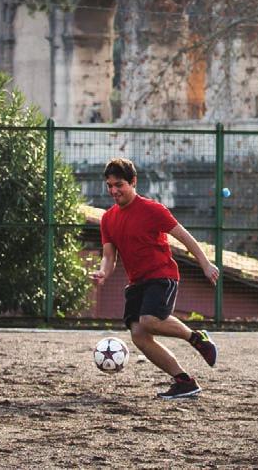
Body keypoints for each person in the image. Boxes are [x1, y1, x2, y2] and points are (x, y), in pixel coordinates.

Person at [91, 157, 220, 399]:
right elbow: (109, 256)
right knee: (139, 335)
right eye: (109, 186)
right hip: (137, 282)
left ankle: (196, 337)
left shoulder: (153, 210)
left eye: (119, 184)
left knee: (149, 320)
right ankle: (184, 381)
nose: (114, 190)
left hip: (162, 275)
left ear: (133, 182)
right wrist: (103, 272)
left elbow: (184, 236)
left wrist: (205, 263)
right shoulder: (108, 219)